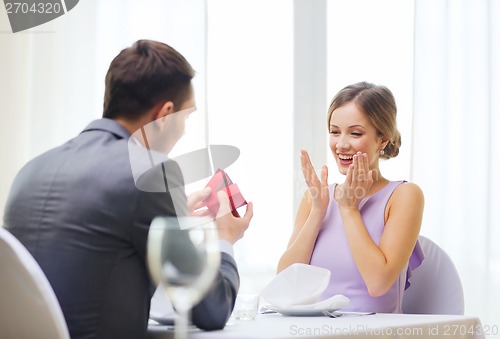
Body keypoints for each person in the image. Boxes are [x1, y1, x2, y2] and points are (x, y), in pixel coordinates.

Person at [3, 39, 253, 338]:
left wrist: (171, 221)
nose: (184, 130)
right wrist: (224, 240)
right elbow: (211, 310)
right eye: (186, 117)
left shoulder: (30, 171)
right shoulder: (150, 172)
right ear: (164, 115)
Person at [277, 81, 424, 313]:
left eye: (355, 133)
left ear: (382, 139)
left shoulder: (404, 196)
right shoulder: (316, 198)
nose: (341, 144)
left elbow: (378, 283)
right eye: (335, 132)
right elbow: (285, 284)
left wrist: (349, 209)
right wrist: (317, 212)